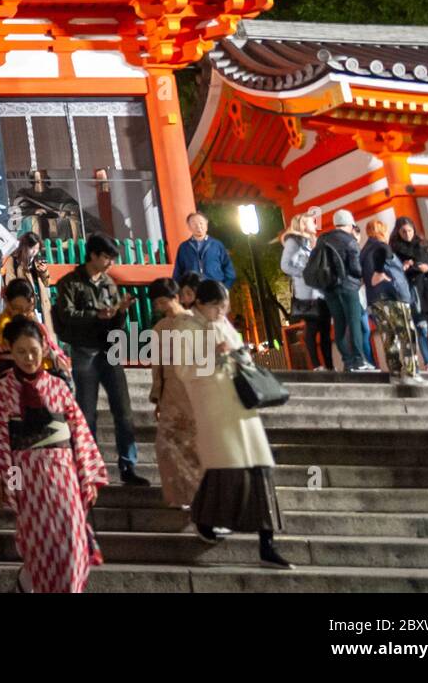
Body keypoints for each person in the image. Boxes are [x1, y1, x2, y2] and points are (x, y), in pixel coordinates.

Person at [0, 315, 107, 592]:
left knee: (74, 545)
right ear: (10, 350)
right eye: (21, 352)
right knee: (37, 546)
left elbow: (80, 433)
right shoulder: (1, 392)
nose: (28, 358)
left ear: (45, 348)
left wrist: (88, 476)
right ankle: (30, 582)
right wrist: (6, 484)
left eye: (33, 351)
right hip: (24, 475)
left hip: (64, 475)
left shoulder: (59, 387)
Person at [181, 280, 293, 569]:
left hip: (241, 406)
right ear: (201, 304)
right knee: (226, 469)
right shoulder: (187, 328)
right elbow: (185, 371)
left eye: (224, 306)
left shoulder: (222, 324)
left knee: (258, 469)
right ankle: (205, 520)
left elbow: (241, 354)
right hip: (216, 409)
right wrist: (215, 355)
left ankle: (267, 542)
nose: (221, 311)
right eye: (217, 305)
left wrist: (238, 356)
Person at [53, 233, 149, 486]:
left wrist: (120, 312)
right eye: (106, 257)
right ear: (93, 255)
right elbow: (67, 314)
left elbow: (114, 319)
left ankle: (128, 465)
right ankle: (88, 466)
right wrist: (98, 315)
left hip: (109, 349)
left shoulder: (109, 283)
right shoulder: (70, 283)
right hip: (84, 350)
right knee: (87, 412)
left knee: (124, 410)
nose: (109, 263)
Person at [0, 278, 71, 408]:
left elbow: (55, 355)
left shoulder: (38, 328)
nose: (22, 314)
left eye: (27, 309)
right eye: (17, 308)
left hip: (39, 389)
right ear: (7, 302)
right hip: (9, 391)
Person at [147, 277, 202, 510]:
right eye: (157, 304)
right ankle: (178, 495)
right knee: (167, 445)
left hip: (192, 391)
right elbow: (157, 365)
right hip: (170, 391)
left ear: (176, 297)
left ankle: (199, 495)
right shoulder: (159, 327)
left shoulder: (195, 323)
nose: (161, 308)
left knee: (193, 445)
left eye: (163, 302)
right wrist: (157, 397)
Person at [361, 219, 428, 385]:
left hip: (375, 300)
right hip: (393, 295)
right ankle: (412, 373)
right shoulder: (381, 246)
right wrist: (378, 272)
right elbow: (381, 254)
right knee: (406, 334)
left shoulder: (363, 251)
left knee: (388, 337)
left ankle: (395, 373)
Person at [314, 210, 377, 372]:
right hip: (348, 287)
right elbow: (356, 268)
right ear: (350, 224)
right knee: (354, 322)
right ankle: (358, 360)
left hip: (329, 288)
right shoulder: (350, 241)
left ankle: (347, 362)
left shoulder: (323, 239)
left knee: (340, 323)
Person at [391, 216, 428, 371]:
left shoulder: (425, 245)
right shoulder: (395, 250)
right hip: (414, 292)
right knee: (422, 329)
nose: (407, 234)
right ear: (398, 232)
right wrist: (405, 267)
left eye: (409, 230)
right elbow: (394, 273)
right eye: (403, 231)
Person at [278, 211, 331, 370]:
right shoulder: (293, 242)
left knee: (325, 329)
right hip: (307, 292)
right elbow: (285, 265)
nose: (315, 224)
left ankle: (329, 365)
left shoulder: (313, 241)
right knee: (312, 328)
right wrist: (305, 272)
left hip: (321, 290)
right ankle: (316, 365)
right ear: (303, 225)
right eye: (311, 222)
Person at [1, 232, 54, 335]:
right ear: (25, 247)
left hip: (41, 305)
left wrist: (43, 272)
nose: (35, 251)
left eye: (37, 248)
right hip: (25, 307)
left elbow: (47, 283)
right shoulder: (13, 261)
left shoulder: (36, 262)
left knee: (44, 335)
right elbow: (11, 285)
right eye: (32, 248)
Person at [172, 212, 237, 287]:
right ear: (189, 227)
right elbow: (178, 272)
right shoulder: (184, 247)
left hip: (215, 289)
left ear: (206, 225)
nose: (198, 226)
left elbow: (229, 269)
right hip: (193, 290)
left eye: (201, 223)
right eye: (194, 223)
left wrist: (225, 288)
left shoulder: (217, 245)